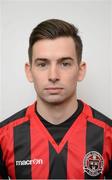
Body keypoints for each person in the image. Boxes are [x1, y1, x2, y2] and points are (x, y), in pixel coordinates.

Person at [0, 19, 112, 179]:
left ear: (80, 70)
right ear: (29, 71)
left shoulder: (108, 135)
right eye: (42, 64)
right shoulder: (4, 137)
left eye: (65, 64)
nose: (53, 76)